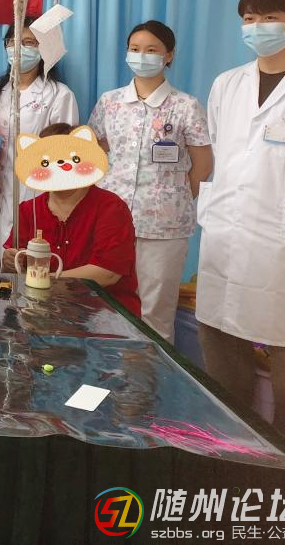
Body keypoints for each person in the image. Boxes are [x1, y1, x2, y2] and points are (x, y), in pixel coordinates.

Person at [197, 0, 285, 445]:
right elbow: (221, 151)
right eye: (249, 19)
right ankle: (231, 448)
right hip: (225, 233)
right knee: (221, 350)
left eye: (270, 18)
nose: (257, 27)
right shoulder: (227, 84)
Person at [88, 20, 212, 342]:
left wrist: (174, 198)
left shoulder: (186, 106)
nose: (141, 56)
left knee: (154, 311)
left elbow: (203, 165)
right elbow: (95, 152)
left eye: (151, 50)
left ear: (168, 55)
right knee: (106, 306)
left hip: (164, 225)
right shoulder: (110, 102)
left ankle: (152, 374)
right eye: (135, 49)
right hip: (112, 218)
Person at [2, 123, 140, 316]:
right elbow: (15, 265)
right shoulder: (27, 210)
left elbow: (107, 273)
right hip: (42, 313)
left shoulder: (111, 208)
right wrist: (9, 261)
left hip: (104, 315)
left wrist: (45, 280)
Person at [0, 19, 79, 267]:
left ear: (44, 49)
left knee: (30, 265)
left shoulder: (58, 94)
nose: (19, 48)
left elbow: (64, 152)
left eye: (29, 42)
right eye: (13, 41)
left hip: (36, 191)